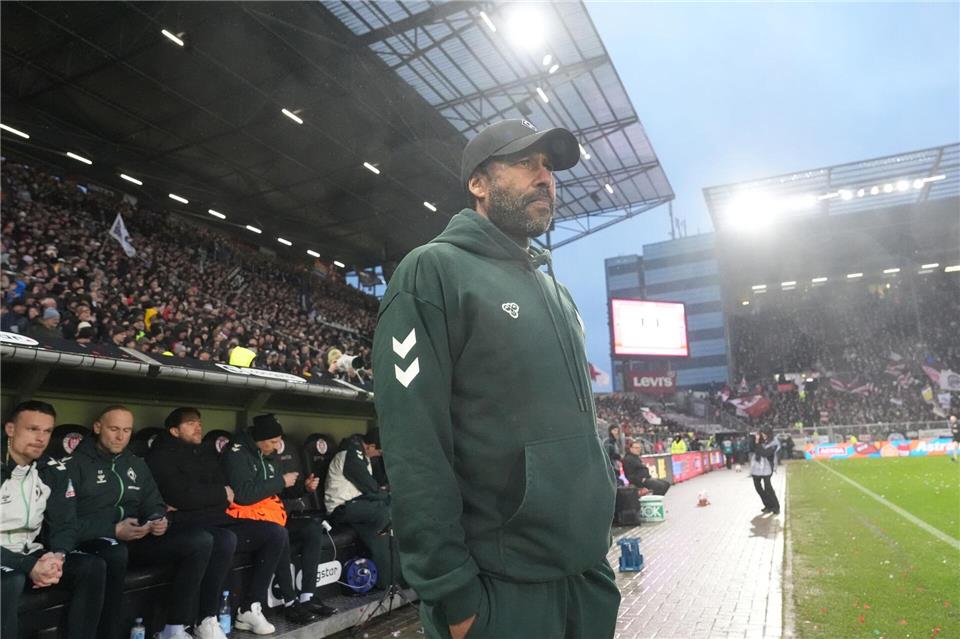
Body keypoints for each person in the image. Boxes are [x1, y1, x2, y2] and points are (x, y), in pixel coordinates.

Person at [373, 119, 619, 639]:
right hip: (500, 592)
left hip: (587, 576)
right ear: (478, 183)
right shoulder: (431, 272)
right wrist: (453, 594)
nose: (544, 177)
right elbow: (414, 444)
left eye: (548, 167)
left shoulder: (558, 294)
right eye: (525, 162)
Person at [147, 407, 305, 638]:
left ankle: (250, 608)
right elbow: (181, 496)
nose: (198, 427)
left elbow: (226, 493)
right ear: (174, 430)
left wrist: (206, 497)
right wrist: (212, 495)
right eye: (190, 423)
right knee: (223, 539)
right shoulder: (161, 456)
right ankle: (205, 619)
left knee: (275, 533)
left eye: (199, 422)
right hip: (185, 524)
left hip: (216, 518)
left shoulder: (203, 452)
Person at [68, 405, 215, 639]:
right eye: (114, 429)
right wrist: (113, 530)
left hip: (136, 539)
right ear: (97, 427)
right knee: (115, 553)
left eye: (126, 430)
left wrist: (157, 519)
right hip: (96, 541)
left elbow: (153, 502)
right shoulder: (74, 464)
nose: (120, 436)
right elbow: (66, 522)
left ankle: (175, 629)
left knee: (201, 541)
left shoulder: (135, 463)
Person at [1, 400, 106, 639]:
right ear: (10, 429)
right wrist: (28, 566)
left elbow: (65, 522)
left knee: (91, 567)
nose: (41, 438)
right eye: (32, 429)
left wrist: (57, 556)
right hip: (5, 557)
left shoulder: (51, 469)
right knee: (10, 580)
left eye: (47, 431)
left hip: (29, 552)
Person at [220, 414, 320, 629]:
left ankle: (308, 597)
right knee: (278, 533)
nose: (276, 447)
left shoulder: (269, 454)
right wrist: (281, 481)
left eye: (278, 441)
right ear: (259, 439)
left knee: (312, 528)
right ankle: (290, 602)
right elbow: (244, 494)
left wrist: (303, 488)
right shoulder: (237, 454)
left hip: (271, 514)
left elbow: (279, 489)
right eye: (273, 442)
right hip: (244, 519)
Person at [323, 429, 395, 589]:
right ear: (370, 446)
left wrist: (385, 494)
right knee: (383, 512)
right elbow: (369, 486)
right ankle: (384, 579)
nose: (378, 455)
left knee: (390, 509)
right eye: (378, 451)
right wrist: (384, 495)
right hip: (340, 508)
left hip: (356, 505)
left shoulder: (363, 456)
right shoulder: (350, 454)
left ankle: (392, 576)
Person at [750, 429, 781, 515]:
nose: (763, 436)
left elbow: (764, 453)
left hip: (767, 467)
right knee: (758, 487)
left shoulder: (774, 443)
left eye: (764, 434)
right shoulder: (759, 442)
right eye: (762, 434)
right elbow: (752, 449)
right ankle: (768, 506)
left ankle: (776, 507)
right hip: (757, 468)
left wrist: (757, 443)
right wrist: (755, 440)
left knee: (768, 488)